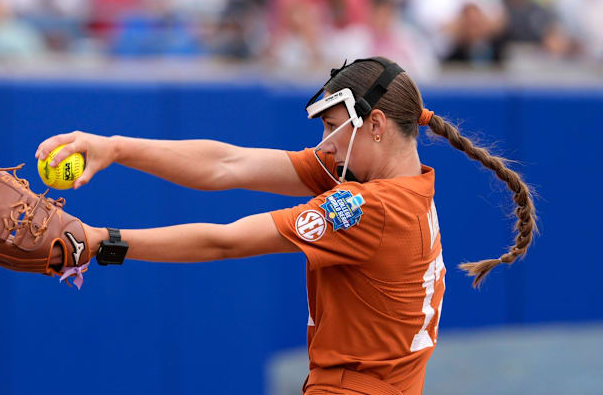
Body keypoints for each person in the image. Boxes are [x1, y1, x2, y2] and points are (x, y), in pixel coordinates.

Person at [35, 57, 536, 395]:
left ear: (377, 125)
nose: (325, 144)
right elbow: (227, 165)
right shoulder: (397, 182)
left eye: (331, 127)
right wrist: (114, 147)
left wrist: (102, 244)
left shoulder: (367, 207)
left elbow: (225, 242)